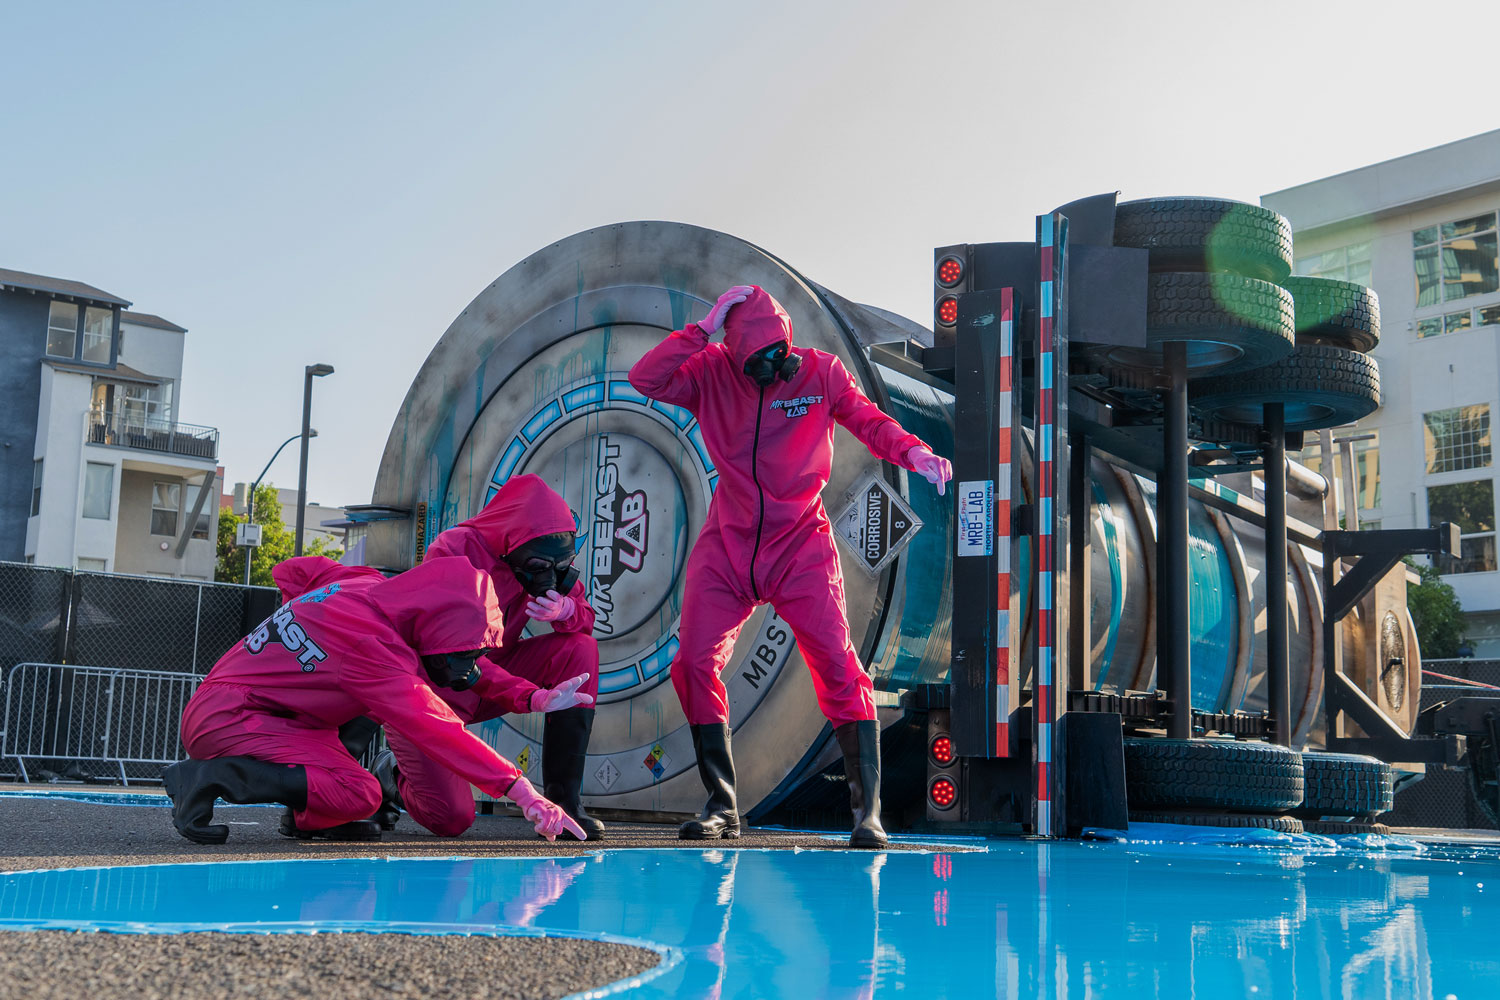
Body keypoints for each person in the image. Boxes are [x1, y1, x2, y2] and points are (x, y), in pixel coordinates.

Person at [628, 284, 952, 848]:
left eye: (773, 356)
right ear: (731, 351)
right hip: (728, 545)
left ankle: (867, 814)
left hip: (799, 545)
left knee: (837, 665)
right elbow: (646, 379)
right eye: (751, 361)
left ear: (787, 343)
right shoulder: (710, 371)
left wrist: (913, 452)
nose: (765, 370)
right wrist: (702, 331)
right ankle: (723, 804)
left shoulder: (821, 374)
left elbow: (869, 421)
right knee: (693, 663)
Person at [162, 556, 586, 844]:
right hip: (233, 718)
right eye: (465, 653)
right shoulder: (373, 647)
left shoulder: (365, 584)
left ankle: (310, 815)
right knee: (359, 793)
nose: (467, 666)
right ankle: (207, 779)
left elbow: (293, 571)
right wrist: (521, 789)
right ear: (436, 630)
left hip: (261, 710)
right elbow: (438, 727)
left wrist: (297, 644)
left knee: (350, 789)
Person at [402, 474, 605, 840]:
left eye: (560, 566)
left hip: (497, 676)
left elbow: (585, 620)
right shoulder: (453, 552)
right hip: (440, 689)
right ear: (510, 544)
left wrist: (566, 610)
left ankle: (565, 800)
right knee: (451, 818)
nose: (549, 577)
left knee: (580, 648)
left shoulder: (550, 565)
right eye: (540, 567)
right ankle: (394, 772)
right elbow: (448, 660)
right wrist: (530, 696)